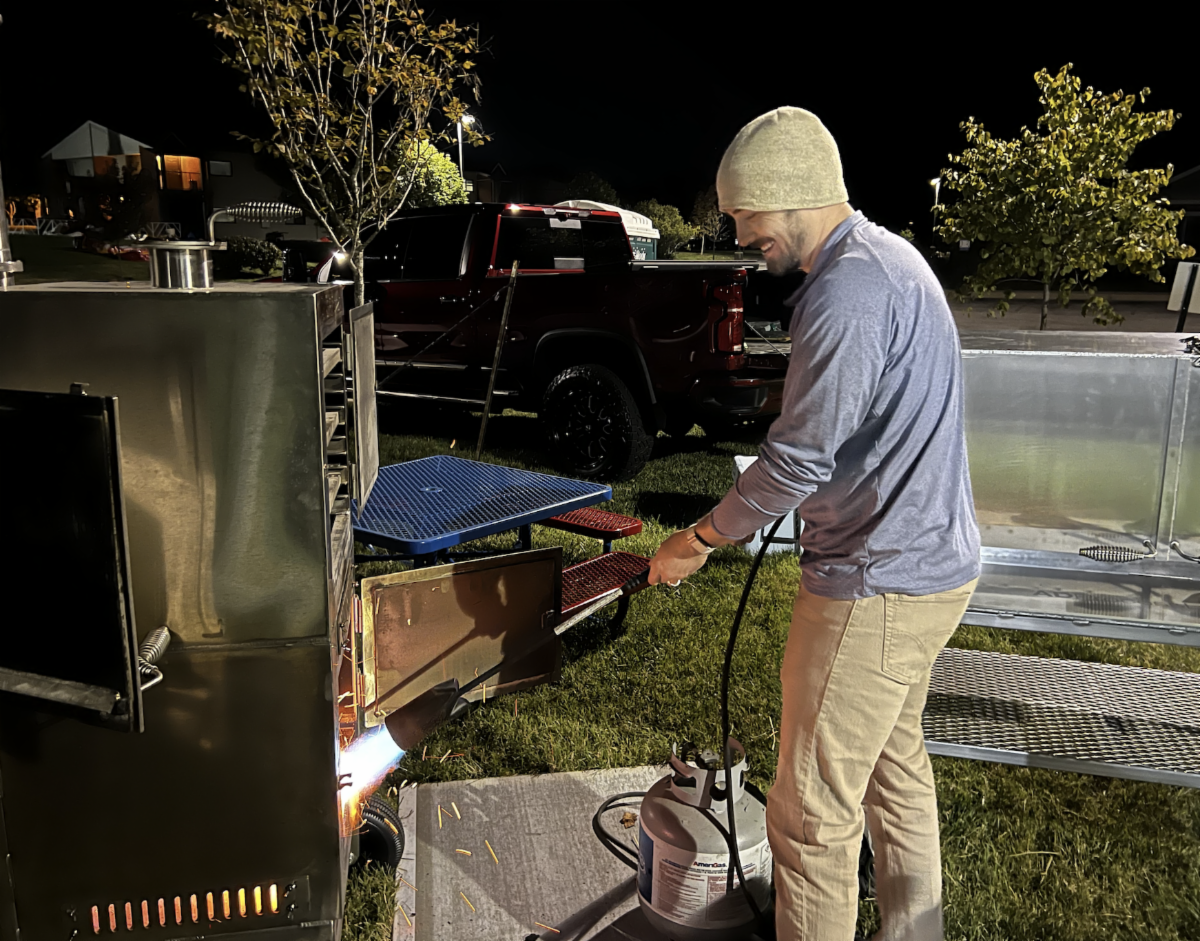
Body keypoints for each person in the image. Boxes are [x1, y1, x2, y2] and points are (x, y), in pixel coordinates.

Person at [648, 107, 980, 941]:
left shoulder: (848, 289)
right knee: (894, 771)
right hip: (929, 571)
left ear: (791, 194)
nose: (738, 234)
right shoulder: (890, 260)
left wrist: (697, 540)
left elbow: (797, 462)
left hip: (875, 582)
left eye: (743, 214)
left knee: (809, 817)